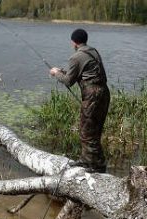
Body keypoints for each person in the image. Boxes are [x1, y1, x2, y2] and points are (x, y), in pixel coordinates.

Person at [49, 28, 110, 173]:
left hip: (92, 95)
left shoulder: (76, 57)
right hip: (104, 93)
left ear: (73, 42)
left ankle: (97, 166)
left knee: (87, 131)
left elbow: (69, 81)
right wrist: (61, 70)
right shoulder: (93, 51)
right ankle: (86, 160)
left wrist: (55, 73)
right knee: (95, 129)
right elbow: (81, 71)